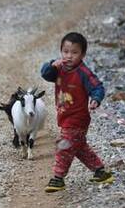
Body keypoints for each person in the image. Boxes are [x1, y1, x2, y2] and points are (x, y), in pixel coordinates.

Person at [41, 32, 114, 193]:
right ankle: (100, 172)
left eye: (74, 52)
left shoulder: (83, 72)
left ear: (82, 54)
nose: (69, 56)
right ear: (61, 52)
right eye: (66, 51)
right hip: (64, 115)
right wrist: (53, 64)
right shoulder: (58, 68)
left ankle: (58, 178)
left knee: (64, 145)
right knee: (79, 146)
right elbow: (45, 74)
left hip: (77, 118)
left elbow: (97, 87)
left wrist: (95, 98)